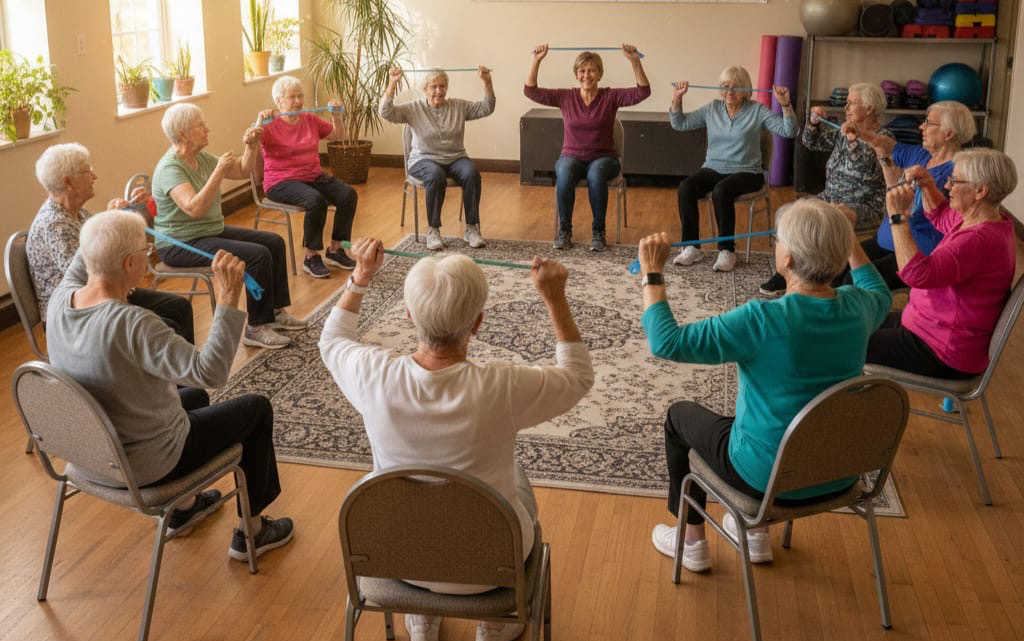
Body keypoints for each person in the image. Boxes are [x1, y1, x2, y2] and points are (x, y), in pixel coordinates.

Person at [320, 241, 594, 641]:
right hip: (492, 565)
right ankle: (495, 623)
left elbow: (331, 340)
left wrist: (360, 277)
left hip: (398, 557)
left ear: (410, 315)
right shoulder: (502, 385)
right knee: (516, 479)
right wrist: (555, 299)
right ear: (478, 323)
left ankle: (422, 614)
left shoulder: (372, 374)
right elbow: (577, 376)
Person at [639, 198, 890, 572]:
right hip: (840, 471)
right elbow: (880, 290)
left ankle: (690, 543)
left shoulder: (762, 320)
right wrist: (847, 237)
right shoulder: (860, 307)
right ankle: (752, 535)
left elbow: (667, 342)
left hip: (765, 481)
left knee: (678, 418)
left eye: (778, 239)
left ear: (787, 259)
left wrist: (652, 273)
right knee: (748, 416)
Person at [46, 210, 293, 561]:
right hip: (145, 464)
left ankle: (185, 508)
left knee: (194, 396)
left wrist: (110, 221)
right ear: (130, 263)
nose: (151, 256)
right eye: (147, 252)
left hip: (89, 457)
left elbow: (83, 261)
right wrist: (227, 299)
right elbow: (211, 371)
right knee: (256, 408)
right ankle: (251, 532)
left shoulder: (60, 301)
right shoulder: (133, 323)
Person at [152, 103, 306, 350]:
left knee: (273, 242)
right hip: (180, 243)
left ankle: (274, 311)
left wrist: (251, 145)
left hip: (208, 232)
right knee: (257, 256)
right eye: (200, 125)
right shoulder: (170, 168)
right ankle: (256, 326)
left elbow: (244, 170)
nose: (207, 129)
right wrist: (218, 172)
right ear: (182, 134)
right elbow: (194, 208)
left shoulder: (201, 158)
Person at [866, 149, 1017, 379]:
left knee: (847, 344)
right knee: (855, 323)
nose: (947, 186)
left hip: (940, 348)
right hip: (929, 328)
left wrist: (897, 216)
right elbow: (941, 216)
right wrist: (927, 185)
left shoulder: (977, 240)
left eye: (955, 181)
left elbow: (915, 274)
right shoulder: (988, 221)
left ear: (980, 191)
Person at [26, 143, 195, 343]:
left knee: (179, 307)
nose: (94, 176)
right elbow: (91, 274)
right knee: (168, 327)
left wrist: (120, 213)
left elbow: (98, 249)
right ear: (68, 182)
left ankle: (188, 373)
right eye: (87, 170)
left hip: (101, 295)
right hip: (73, 313)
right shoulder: (55, 225)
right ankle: (176, 371)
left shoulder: (75, 212)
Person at [759, 82, 892, 296]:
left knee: (821, 222)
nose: (846, 108)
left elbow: (877, 162)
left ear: (869, 108)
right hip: (829, 197)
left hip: (863, 206)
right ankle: (787, 272)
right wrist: (813, 123)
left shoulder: (884, 138)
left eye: (852, 103)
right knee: (785, 213)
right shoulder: (843, 131)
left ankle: (816, 279)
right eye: (846, 102)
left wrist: (859, 137)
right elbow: (811, 142)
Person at [670, 66, 797, 273]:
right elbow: (680, 124)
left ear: (746, 90)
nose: (729, 91)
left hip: (748, 171)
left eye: (735, 87)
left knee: (721, 191)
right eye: (725, 86)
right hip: (714, 167)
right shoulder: (712, 108)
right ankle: (691, 246)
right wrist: (677, 99)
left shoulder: (757, 110)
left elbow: (789, 131)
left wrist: (786, 106)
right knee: (686, 187)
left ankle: (727, 251)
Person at [524, 44, 650, 251]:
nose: (587, 75)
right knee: (564, 172)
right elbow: (530, 91)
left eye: (592, 70)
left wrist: (635, 61)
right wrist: (536, 60)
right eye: (582, 71)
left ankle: (598, 231)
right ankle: (564, 231)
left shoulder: (610, 97)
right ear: (576, 74)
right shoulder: (565, 97)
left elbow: (643, 91)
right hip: (571, 156)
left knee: (595, 175)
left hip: (604, 158)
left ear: (600, 74)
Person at [838, 100, 975, 290]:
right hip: (885, 240)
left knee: (853, 282)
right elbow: (886, 144)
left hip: (914, 253)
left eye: (928, 123)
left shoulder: (958, 174)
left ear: (948, 133)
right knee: (836, 266)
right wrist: (863, 134)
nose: (921, 127)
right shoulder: (921, 154)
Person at [380, 66, 495, 251]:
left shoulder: (458, 106)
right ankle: (433, 230)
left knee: (472, 173)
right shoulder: (413, 108)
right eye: (433, 87)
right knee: (435, 175)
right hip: (423, 159)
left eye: (442, 86)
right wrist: (392, 84)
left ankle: (472, 228)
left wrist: (487, 82)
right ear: (425, 89)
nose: (438, 91)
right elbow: (386, 113)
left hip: (455, 157)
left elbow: (487, 108)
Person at [256, 75, 358, 278]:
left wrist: (336, 116)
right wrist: (260, 121)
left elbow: (337, 136)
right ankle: (311, 257)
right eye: (292, 97)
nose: (298, 101)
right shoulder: (270, 125)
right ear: (278, 101)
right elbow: (252, 140)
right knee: (315, 201)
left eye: (300, 96)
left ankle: (336, 249)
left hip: (312, 176)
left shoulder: (310, 120)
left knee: (348, 195)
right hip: (280, 182)